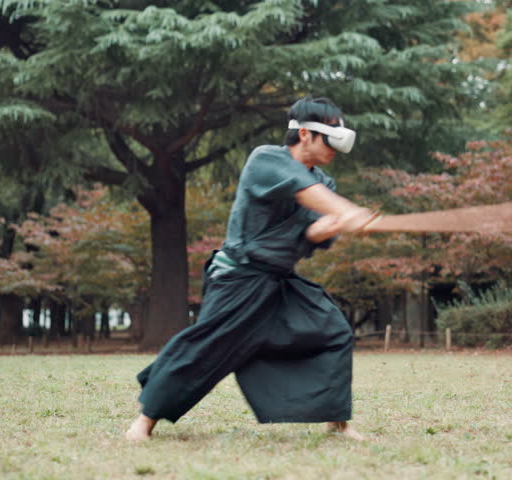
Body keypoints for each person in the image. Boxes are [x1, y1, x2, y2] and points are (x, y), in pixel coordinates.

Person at [126, 96, 377, 442]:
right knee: (206, 349)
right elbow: (304, 192)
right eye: (329, 140)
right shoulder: (267, 160)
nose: (336, 150)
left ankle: (337, 421)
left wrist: (338, 223)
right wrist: (346, 210)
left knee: (333, 331)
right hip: (238, 278)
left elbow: (311, 230)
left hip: (279, 280)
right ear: (304, 134)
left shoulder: (324, 183)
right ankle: (144, 421)